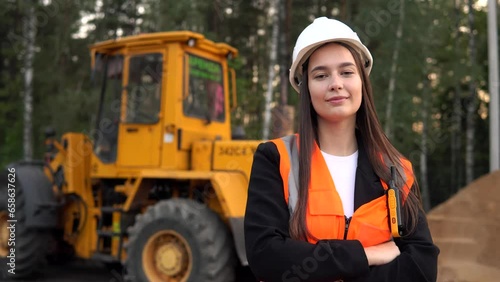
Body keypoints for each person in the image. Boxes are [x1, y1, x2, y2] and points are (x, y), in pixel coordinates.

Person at [244, 17, 439, 282]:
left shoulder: (397, 170)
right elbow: (266, 256)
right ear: (305, 88)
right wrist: (366, 255)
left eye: (346, 72)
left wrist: (320, 265)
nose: (335, 83)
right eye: (321, 75)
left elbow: (421, 266)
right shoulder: (276, 159)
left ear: (361, 82)